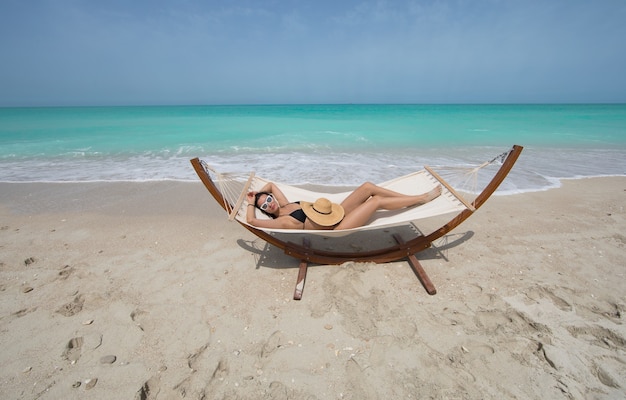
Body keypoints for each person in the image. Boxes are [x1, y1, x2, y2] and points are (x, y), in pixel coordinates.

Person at [246, 181, 442, 231]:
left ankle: (408, 198)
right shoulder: (282, 222)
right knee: (376, 201)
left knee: (367, 187)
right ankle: (420, 198)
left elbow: (271, 186)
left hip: (335, 212)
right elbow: (251, 220)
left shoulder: (285, 204)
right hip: (338, 226)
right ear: (265, 212)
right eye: (265, 207)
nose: (270, 205)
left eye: (269, 200)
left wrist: (257, 196)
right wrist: (250, 204)